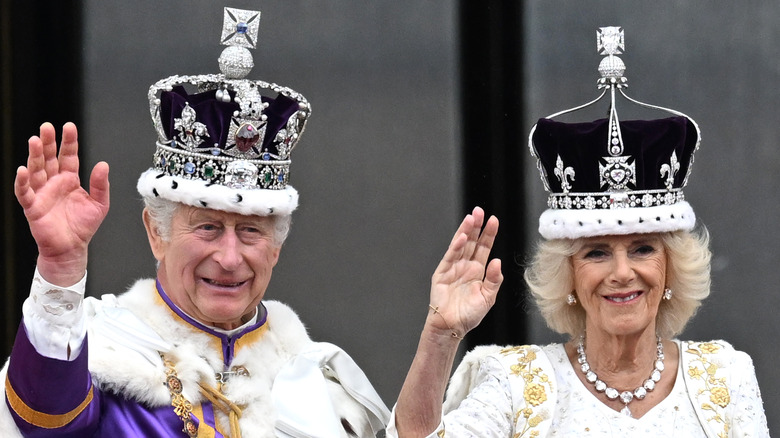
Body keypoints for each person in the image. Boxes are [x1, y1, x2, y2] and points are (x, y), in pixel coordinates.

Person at [1, 7, 389, 437]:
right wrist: (61, 270)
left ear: (276, 248)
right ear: (156, 233)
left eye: (250, 231)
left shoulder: (312, 379)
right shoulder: (103, 349)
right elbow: (45, 421)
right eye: (207, 227)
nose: (228, 258)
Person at [388, 27, 769, 437]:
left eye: (642, 249)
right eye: (596, 252)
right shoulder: (517, 383)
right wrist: (441, 335)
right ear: (567, 273)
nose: (622, 272)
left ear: (672, 268)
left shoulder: (723, 378)